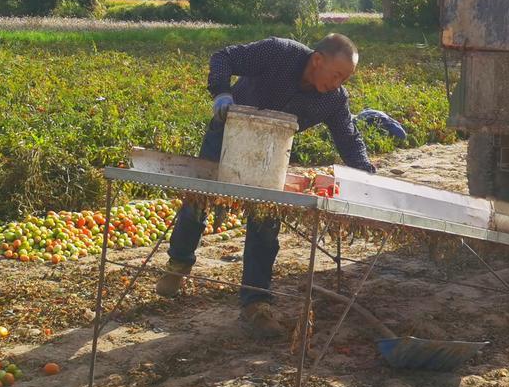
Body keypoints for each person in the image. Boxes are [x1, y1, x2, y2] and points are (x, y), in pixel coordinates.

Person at [156, 33, 375, 338]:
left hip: (272, 151)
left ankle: (255, 303)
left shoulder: (333, 99)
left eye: (345, 78)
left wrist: (366, 178)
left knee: (265, 219)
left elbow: (349, 140)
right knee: (199, 199)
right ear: (317, 60)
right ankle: (179, 262)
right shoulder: (278, 53)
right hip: (229, 131)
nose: (339, 83)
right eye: (337, 74)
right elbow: (224, 57)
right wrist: (221, 93)